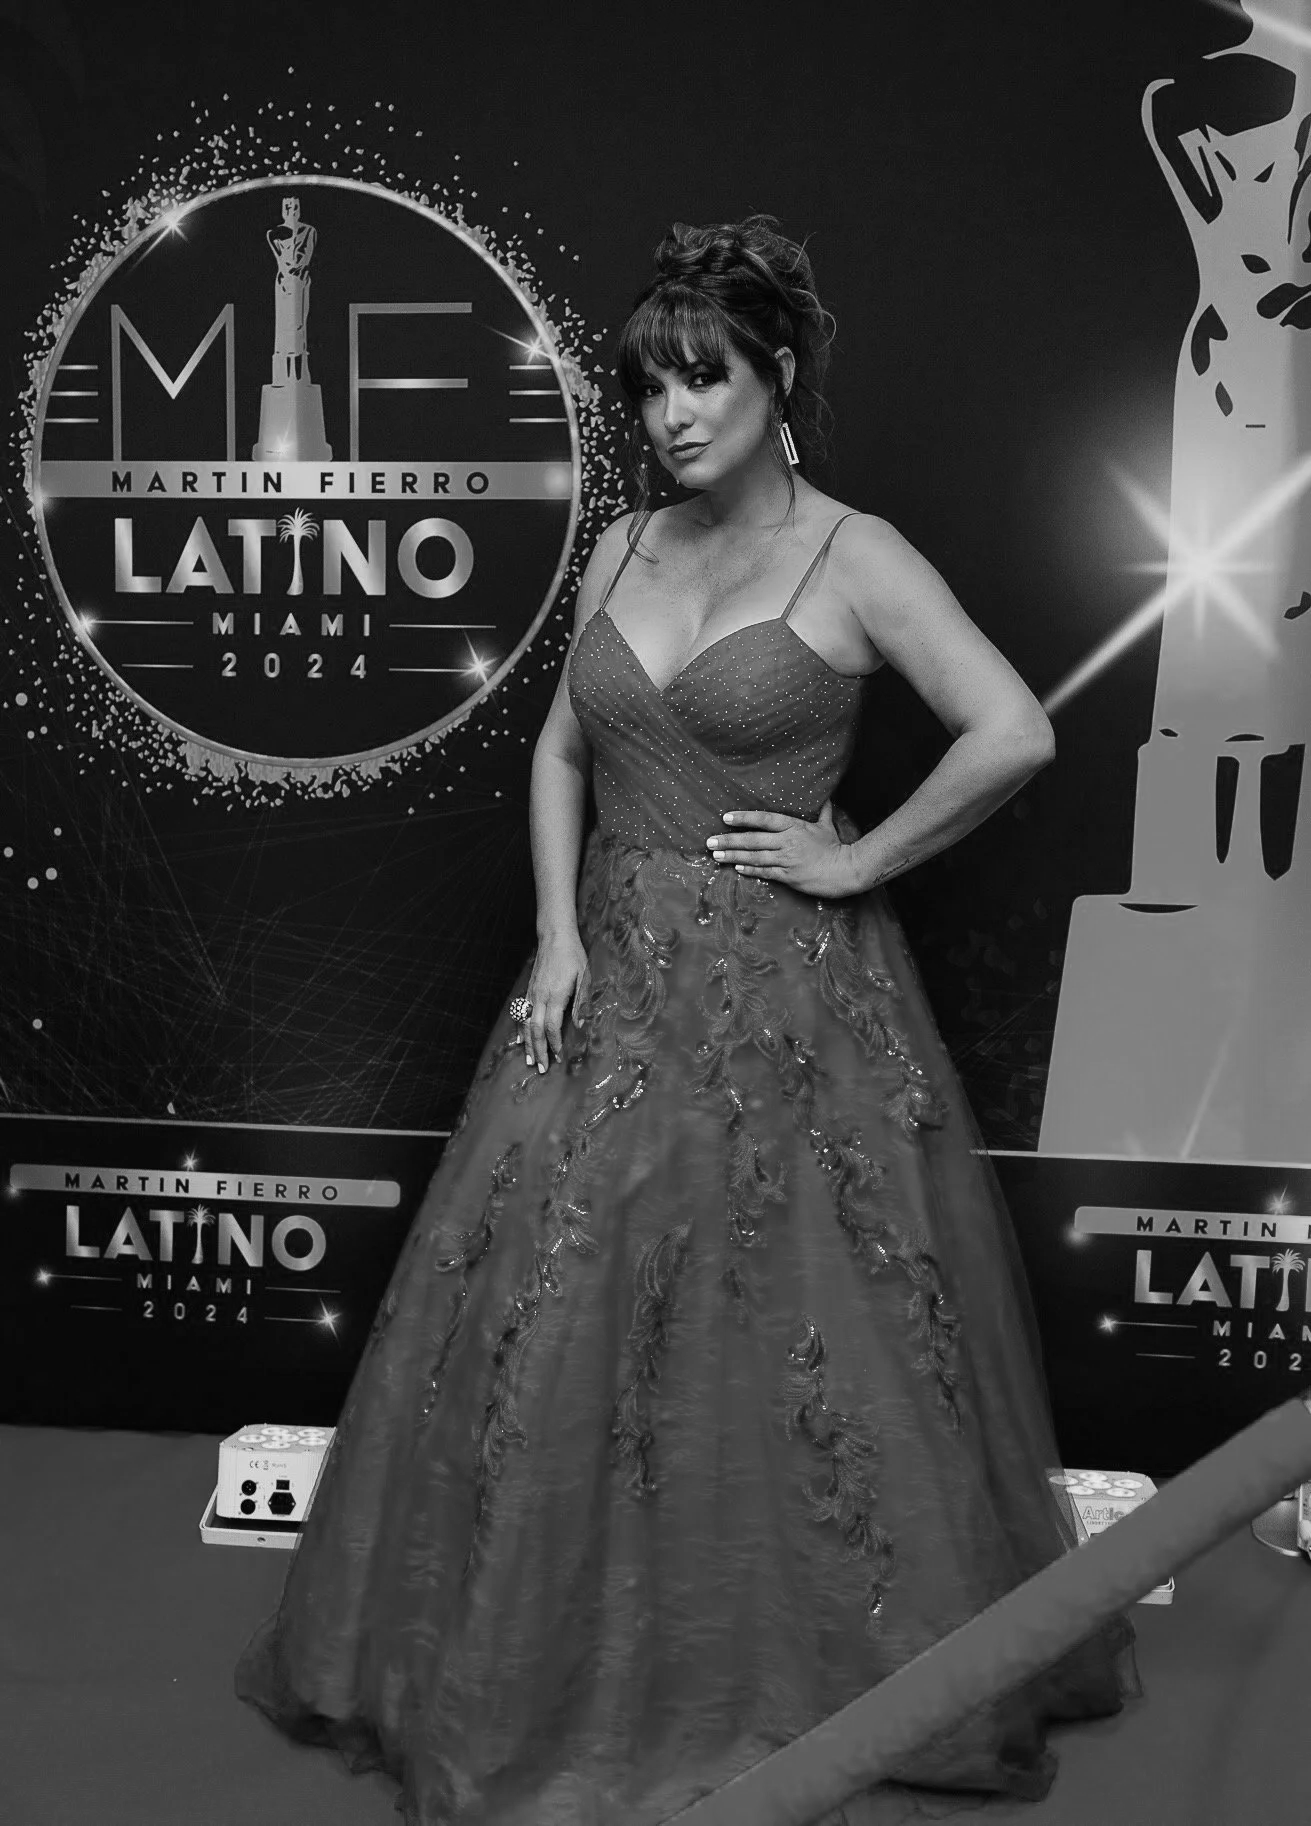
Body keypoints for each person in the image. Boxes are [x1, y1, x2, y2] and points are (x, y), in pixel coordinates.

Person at [235, 214, 1140, 1825]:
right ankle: (549, 1670)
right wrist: (553, 932)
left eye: (701, 380)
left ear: (773, 375)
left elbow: (1011, 730)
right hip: (607, 975)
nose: (667, 415)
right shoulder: (623, 543)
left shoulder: (855, 554)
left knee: (788, 1334)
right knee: (561, 1314)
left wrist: (856, 852)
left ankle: (776, 1674)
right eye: (647, 385)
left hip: (791, 1004)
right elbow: (565, 754)